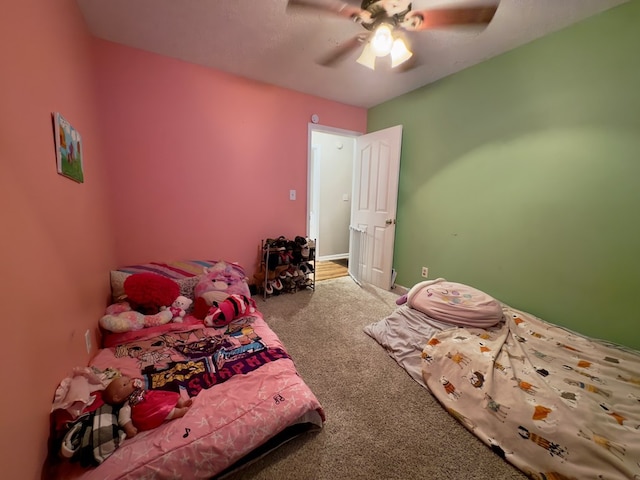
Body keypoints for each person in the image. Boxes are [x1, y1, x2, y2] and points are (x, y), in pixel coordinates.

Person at [102, 375, 192, 438]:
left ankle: (181, 403)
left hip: (153, 396)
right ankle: (177, 412)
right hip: (148, 409)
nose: (132, 382)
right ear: (117, 398)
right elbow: (124, 419)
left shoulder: (138, 390)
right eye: (126, 384)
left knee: (172, 395)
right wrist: (129, 428)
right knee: (161, 409)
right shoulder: (127, 405)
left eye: (129, 380)